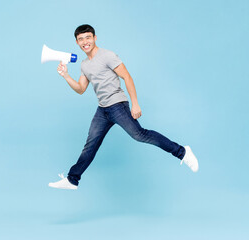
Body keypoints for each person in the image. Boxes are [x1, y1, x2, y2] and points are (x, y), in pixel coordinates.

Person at [48, 24, 199, 190]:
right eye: (81, 39)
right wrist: (65, 75)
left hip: (117, 105)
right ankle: (72, 179)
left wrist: (135, 103)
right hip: (102, 110)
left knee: (140, 135)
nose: (85, 42)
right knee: (90, 145)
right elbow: (80, 89)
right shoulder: (84, 65)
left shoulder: (107, 56)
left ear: (95, 38)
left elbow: (127, 76)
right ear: (77, 42)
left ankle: (182, 152)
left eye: (88, 37)